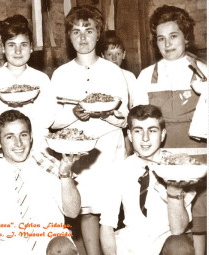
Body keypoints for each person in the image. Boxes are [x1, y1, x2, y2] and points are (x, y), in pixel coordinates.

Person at [50, 5, 128, 255]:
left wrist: (107, 113)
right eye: (75, 32)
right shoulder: (61, 74)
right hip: (79, 152)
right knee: (85, 210)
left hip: (108, 152)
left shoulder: (114, 72)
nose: (82, 38)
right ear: (69, 37)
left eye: (89, 30)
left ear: (98, 34)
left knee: (109, 214)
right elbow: (53, 122)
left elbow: (124, 119)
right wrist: (73, 114)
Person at [134, 6, 207, 255]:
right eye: (160, 38)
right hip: (162, 163)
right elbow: (137, 124)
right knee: (173, 229)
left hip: (201, 158)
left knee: (201, 220)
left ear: (186, 36)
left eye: (173, 36)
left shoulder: (205, 72)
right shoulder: (145, 77)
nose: (167, 44)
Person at [0, 110, 81, 255]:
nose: (18, 143)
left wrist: (65, 175)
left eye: (23, 135)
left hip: (51, 242)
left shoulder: (48, 166)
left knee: (62, 248)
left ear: (31, 137)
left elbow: (73, 212)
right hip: (12, 247)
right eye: (10, 137)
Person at [100, 104, 197, 255]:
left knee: (180, 246)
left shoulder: (179, 168)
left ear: (163, 134)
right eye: (138, 131)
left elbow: (178, 229)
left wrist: (173, 190)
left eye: (152, 131)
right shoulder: (119, 169)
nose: (145, 138)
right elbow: (106, 225)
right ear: (130, 135)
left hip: (167, 239)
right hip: (131, 242)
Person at [0, 14, 53, 162]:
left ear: (31, 48)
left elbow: (48, 119)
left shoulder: (41, 79)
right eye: (12, 45)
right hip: (2, 151)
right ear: (3, 48)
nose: (18, 51)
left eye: (23, 45)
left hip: (37, 148)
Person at [99, 30, 136, 156]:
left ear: (124, 55)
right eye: (110, 54)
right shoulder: (99, 77)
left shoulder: (130, 76)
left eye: (118, 54)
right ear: (103, 56)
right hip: (103, 126)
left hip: (126, 125)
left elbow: (135, 105)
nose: (114, 58)